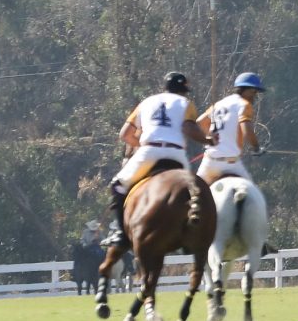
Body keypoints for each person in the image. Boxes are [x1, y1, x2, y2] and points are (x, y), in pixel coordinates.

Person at [102, 72, 210, 248]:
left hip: (148, 152)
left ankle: (122, 234)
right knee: (194, 193)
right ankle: (194, 234)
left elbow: (125, 135)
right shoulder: (186, 104)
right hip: (176, 153)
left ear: (165, 88)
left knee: (117, 185)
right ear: (182, 91)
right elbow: (189, 128)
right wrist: (208, 140)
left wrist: (142, 144)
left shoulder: (145, 103)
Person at [195, 72, 266, 184]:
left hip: (209, 162)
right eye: (254, 92)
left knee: (193, 194)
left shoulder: (220, 103)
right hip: (231, 164)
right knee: (253, 195)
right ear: (245, 90)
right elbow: (247, 130)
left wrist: (210, 137)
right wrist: (256, 148)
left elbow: (200, 122)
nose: (255, 96)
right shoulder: (244, 104)